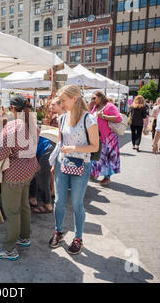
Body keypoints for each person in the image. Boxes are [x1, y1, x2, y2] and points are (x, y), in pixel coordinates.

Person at [48, 85, 99, 255]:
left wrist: (73, 148)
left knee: (77, 204)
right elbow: (59, 143)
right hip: (63, 163)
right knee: (59, 201)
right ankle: (59, 231)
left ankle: (78, 238)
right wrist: (55, 161)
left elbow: (95, 147)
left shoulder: (88, 119)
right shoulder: (62, 118)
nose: (61, 103)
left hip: (82, 165)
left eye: (63, 100)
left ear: (74, 98)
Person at [0, 95, 40, 261]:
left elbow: (0, 153)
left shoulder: (13, 126)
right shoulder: (32, 124)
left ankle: (10, 249)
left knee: (12, 211)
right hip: (29, 170)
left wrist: (1, 146)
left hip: (15, 173)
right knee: (24, 206)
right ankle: (24, 238)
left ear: (12, 108)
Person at [29, 97, 64, 213]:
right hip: (47, 147)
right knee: (37, 175)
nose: (51, 107)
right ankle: (33, 198)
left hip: (49, 149)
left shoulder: (61, 118)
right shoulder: (56, 117)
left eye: (53, 105)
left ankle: (47, 205)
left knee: (43, 178)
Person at [89, 91, 121, 185]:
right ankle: (94, 173)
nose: (93, 100)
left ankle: (107, 177)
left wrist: (103, 116)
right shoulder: (95, 106)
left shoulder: (109, 106)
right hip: (97, 136)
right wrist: (90, 106)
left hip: (108, 137)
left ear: (100, 97)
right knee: (97, 156)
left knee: (107, 158)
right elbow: (88, 117)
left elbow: (118, 118)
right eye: (92, 98)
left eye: (94, 98)